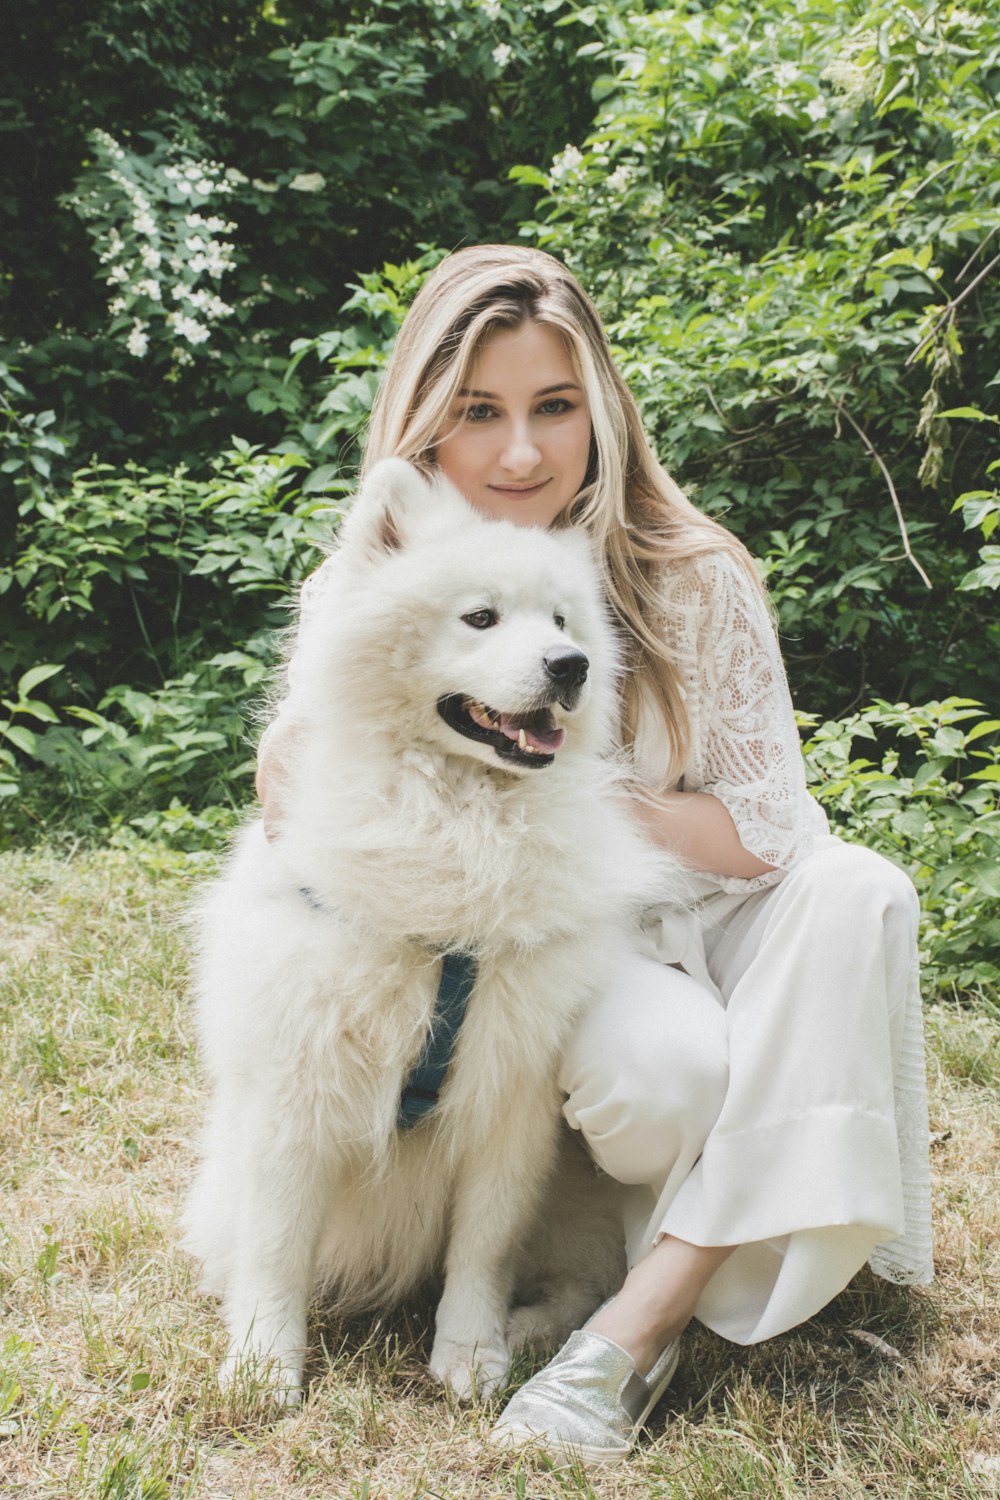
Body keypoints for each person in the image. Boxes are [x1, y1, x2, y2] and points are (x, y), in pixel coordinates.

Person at [256, 244, 933, 1466]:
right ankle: (673, 1230)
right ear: (426, 423)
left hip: (721, 915)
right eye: (481, 412)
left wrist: (564, 788)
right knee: (656, 1078)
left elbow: (766, 835)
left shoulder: (693, 573)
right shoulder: (392, 564)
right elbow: (298, 793)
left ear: (601, 410)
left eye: (553, 408)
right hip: (582, 954)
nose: (522, 453)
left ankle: (632, 1331)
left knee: (865, 888)